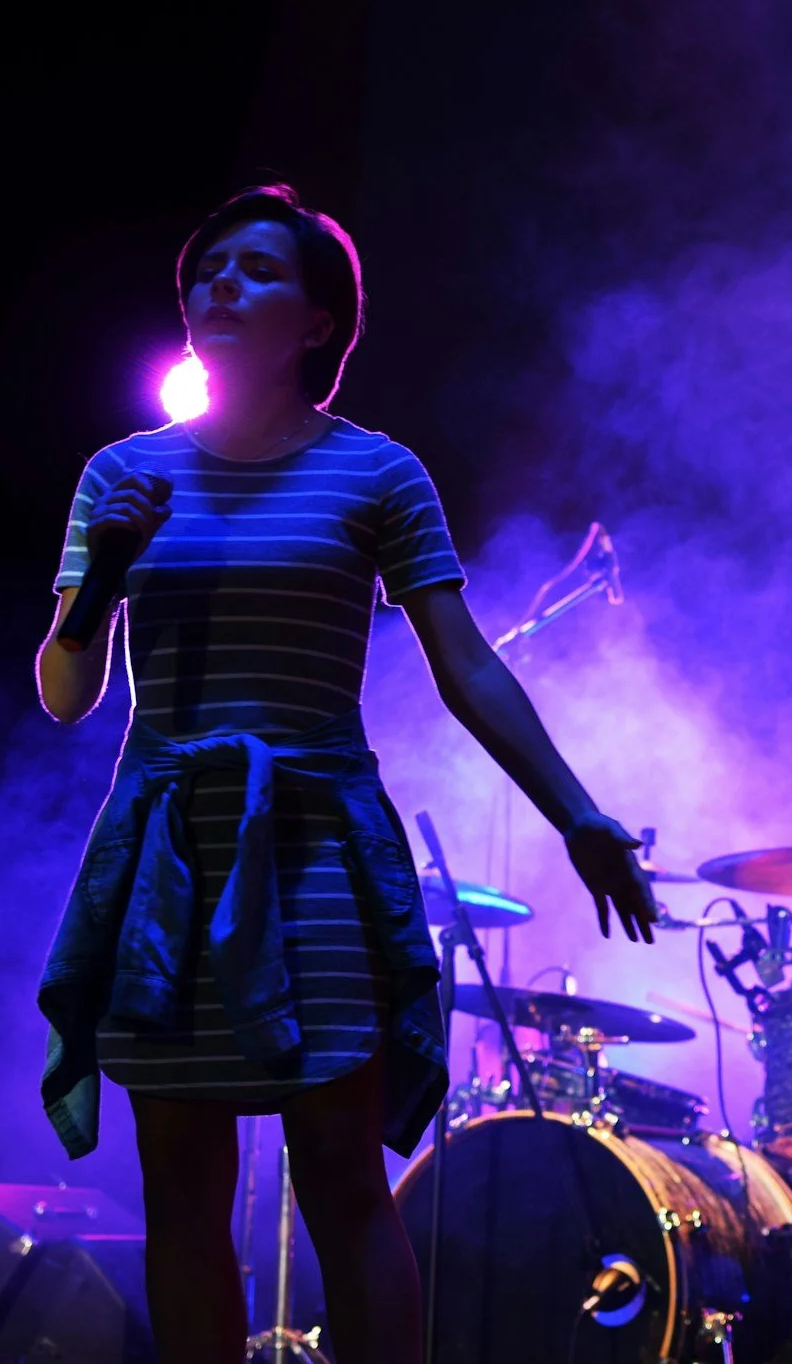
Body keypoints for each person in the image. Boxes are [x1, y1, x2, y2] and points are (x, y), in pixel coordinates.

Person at [32, 184, 658, 1364]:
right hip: (169, 847)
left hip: (315, 844)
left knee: (340, 1175)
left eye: (258, 269)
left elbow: (464, 662)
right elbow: (65, 693)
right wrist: (107, 568)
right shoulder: (120, 472)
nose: (223, 283)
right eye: (209, 267)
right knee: (181, 1190)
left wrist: (577, 813)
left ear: (319, 321)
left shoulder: (375, 473)